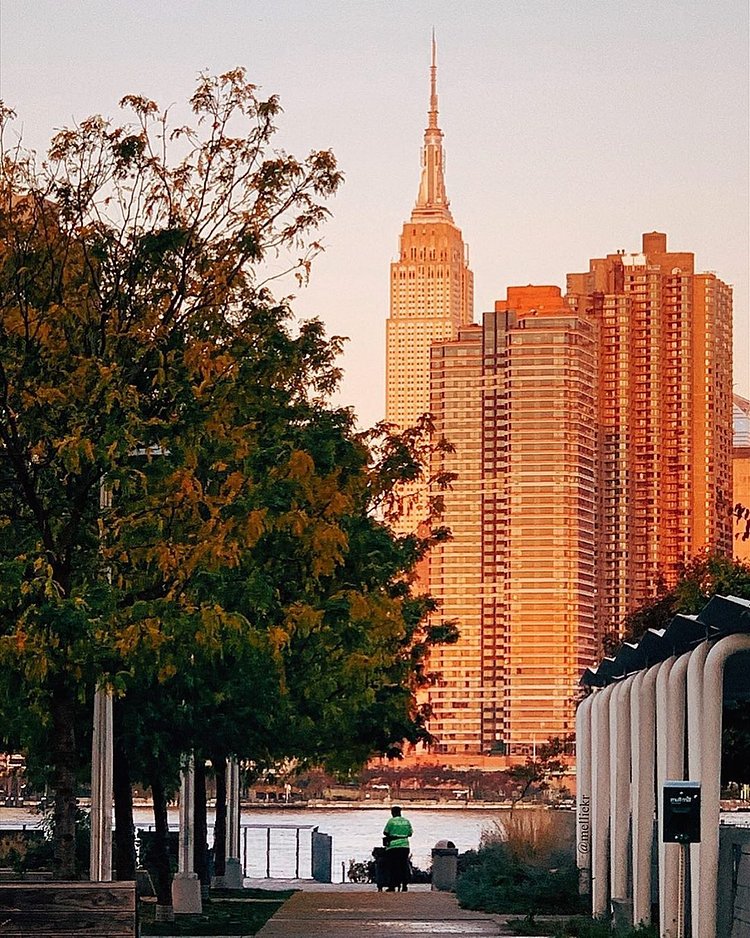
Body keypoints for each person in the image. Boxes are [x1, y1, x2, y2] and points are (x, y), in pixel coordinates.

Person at [382, 805, 413, 891]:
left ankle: (392, 886)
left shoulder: (391, 821)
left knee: (393, 866)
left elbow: (385, 832)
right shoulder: (406, 821)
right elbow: (410, 833)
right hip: (405, 846)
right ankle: (404, 885)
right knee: (403, 866)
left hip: (393, 846)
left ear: (393, 813)